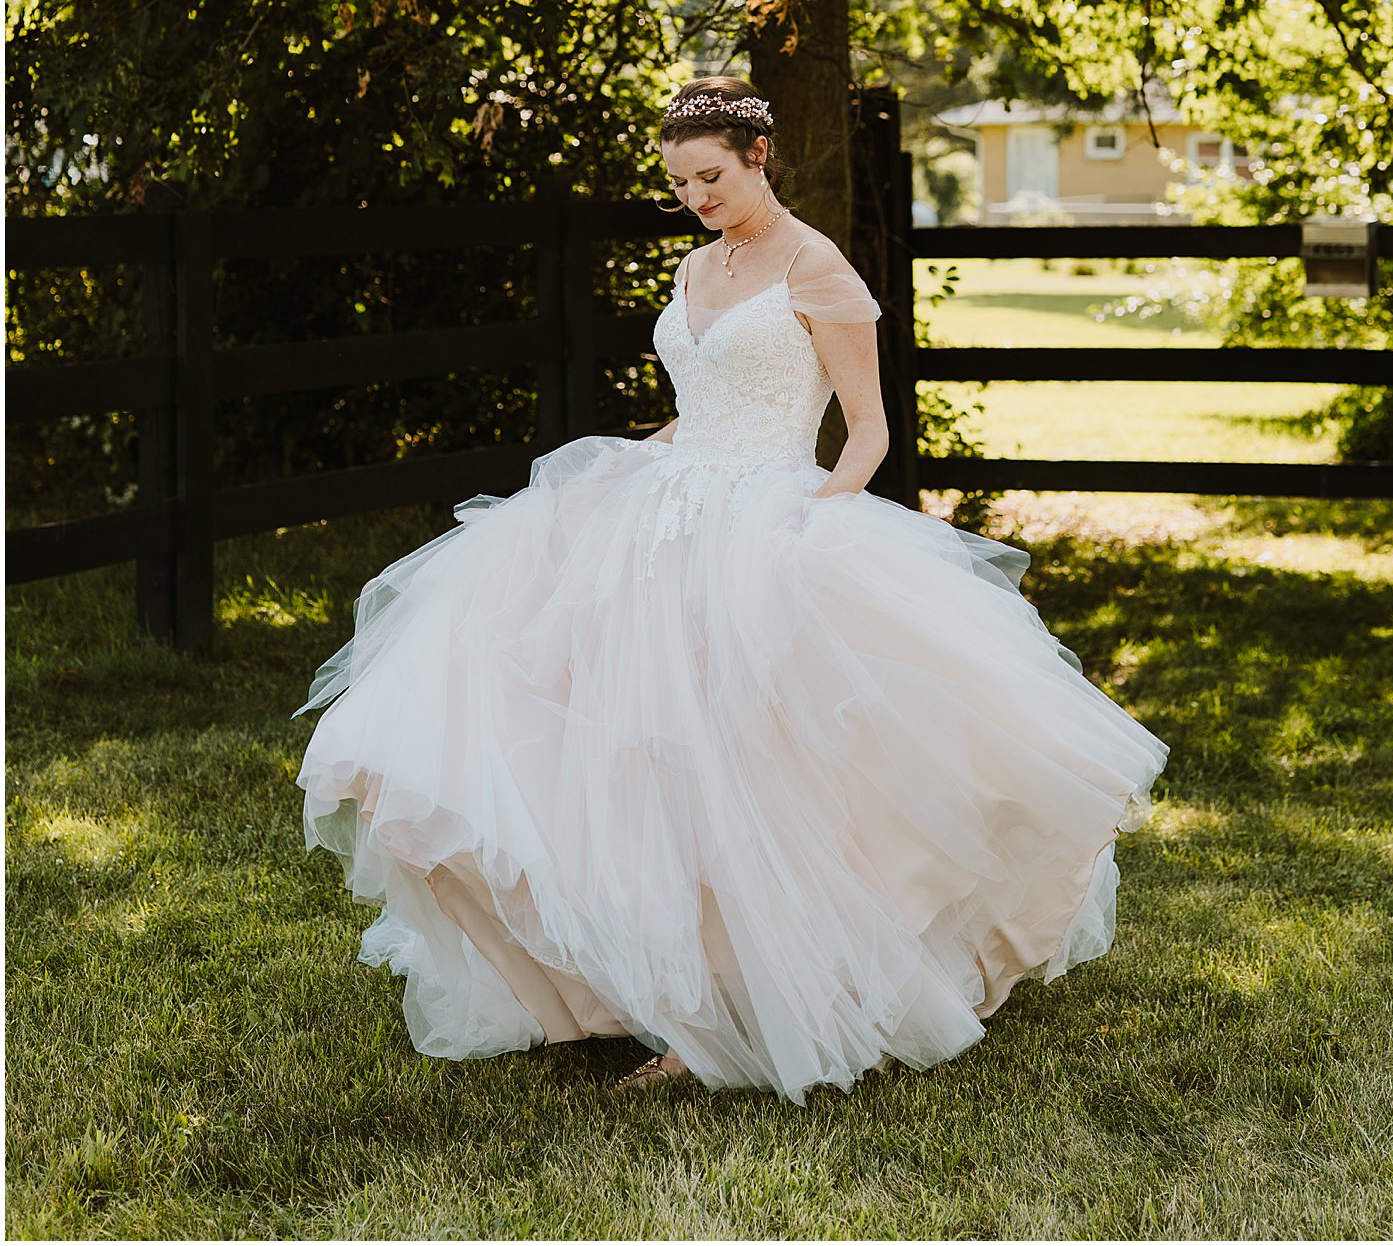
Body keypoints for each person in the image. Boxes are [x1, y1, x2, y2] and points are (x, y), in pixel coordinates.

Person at [292, 76, 1169, 1102]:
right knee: (634, 765)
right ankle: (658, 993)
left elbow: (869, 430)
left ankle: (762, 1000)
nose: (695, 195)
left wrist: (815, 521)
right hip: (663, 518)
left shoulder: (817, 265)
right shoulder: (692, 264)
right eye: (678, 182)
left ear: (759, 159)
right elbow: (695, 409)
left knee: (751, 768)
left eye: (709, 175)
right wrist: (616, 467)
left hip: (771, 516)